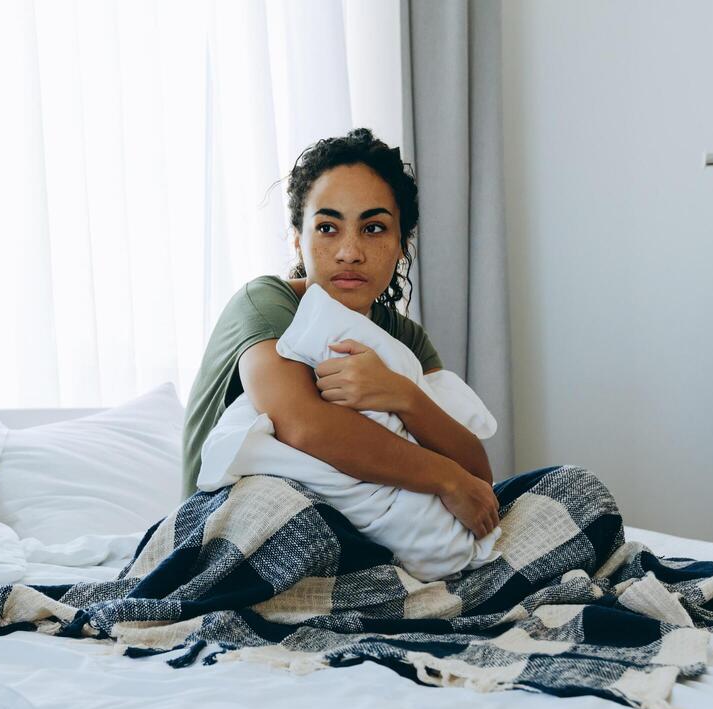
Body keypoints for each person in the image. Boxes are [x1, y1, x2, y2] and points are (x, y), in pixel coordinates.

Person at [181, 128, 501, 540]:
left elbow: (479, 475)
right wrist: (446, 480)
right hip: (236, 526)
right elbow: (303, 426)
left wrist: (402, 394)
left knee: (570, 486)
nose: (350, 251)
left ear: (402, 244)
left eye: (373, 228)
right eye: (328, 228)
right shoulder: (265, 304)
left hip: (360, 531)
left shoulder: (406, 339)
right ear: (298, 241)